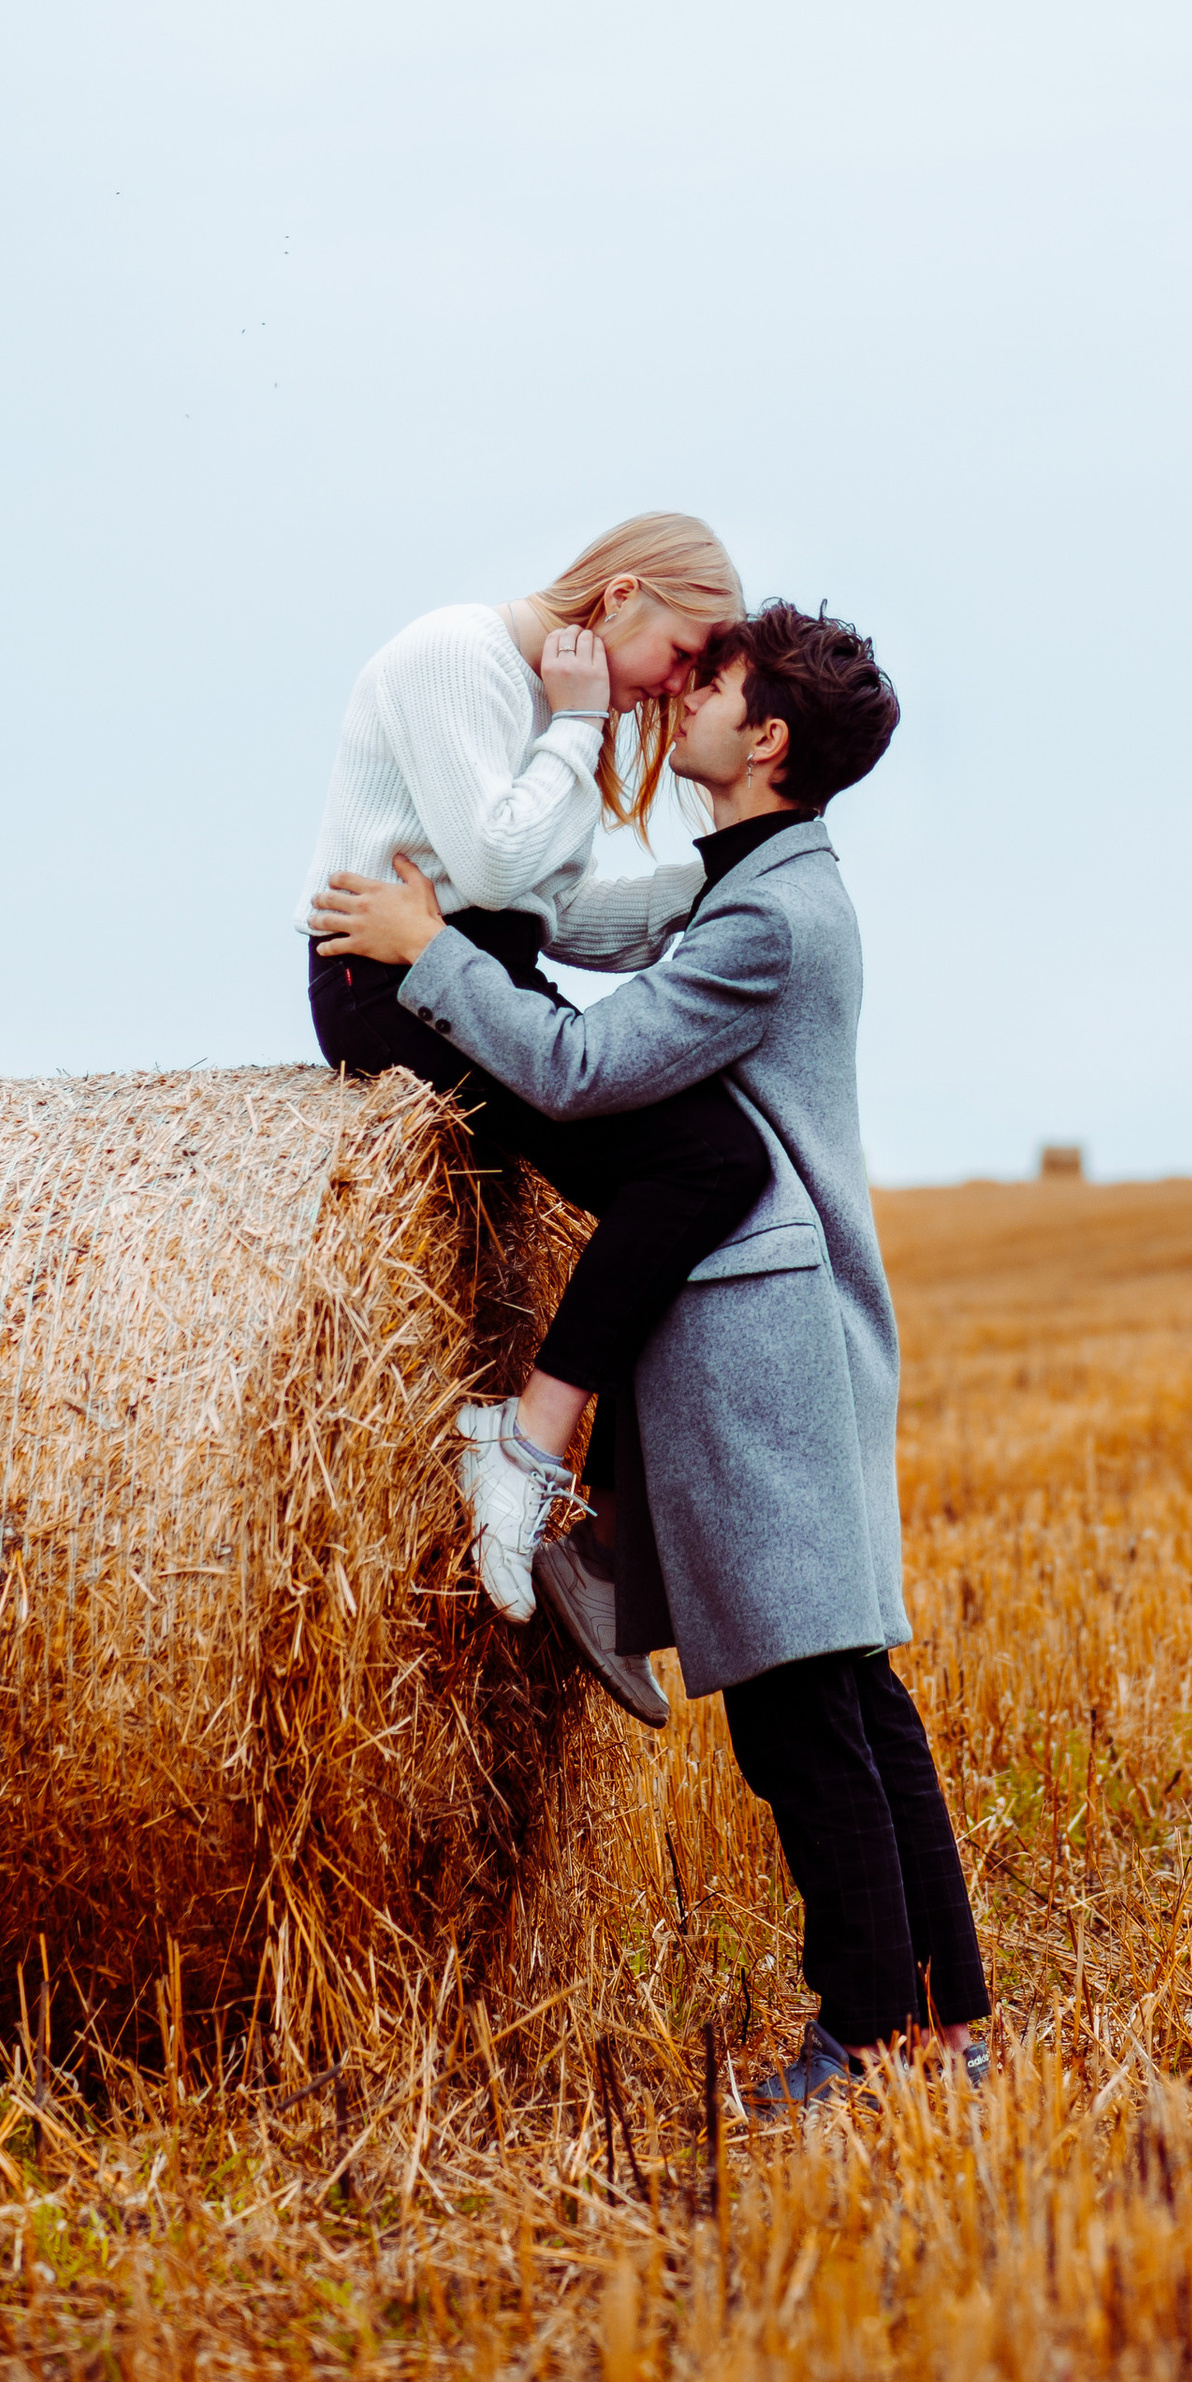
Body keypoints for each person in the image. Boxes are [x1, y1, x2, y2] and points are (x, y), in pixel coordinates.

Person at [309, 603, 990, 2105]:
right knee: (851, 1692)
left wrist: (429, 952)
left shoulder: (768, 918)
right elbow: (598, 944)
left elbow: (584, 1065)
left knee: (801, 1715)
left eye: (715, 684)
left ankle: (867, 2035)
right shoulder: (761, 885)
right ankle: (946, 2030)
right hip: (787, 1327)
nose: (683, 698)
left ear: (767, 739)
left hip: (759, 1333)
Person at [299, 515, 769, 1727]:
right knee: (702, 1163)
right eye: (681, 650)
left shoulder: (554, 704)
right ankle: (522, 1448)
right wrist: (575, 724)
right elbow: (499, 868)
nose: (677, 684)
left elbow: (563, 916)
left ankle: (579, 1496)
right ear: (620, 597)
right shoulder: (458, 656)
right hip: (390, 987)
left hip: (478, 981)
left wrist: (740, 866)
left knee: (711, 1162)